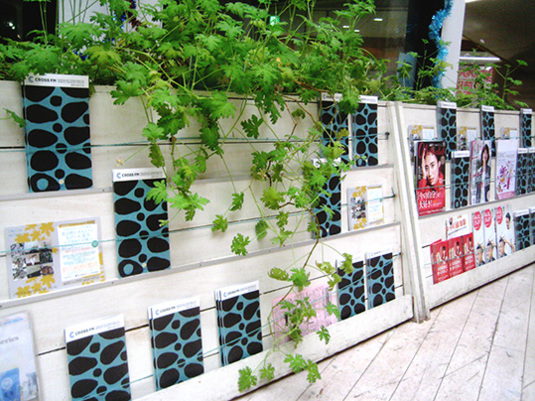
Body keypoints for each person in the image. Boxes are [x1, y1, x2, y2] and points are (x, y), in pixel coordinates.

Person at [416, 143, 446, 214]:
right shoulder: (425, 188)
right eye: (426, 168)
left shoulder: (443, 189)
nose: (429, 173)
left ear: (438, 164)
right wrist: (424, 177)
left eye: (432, 165)